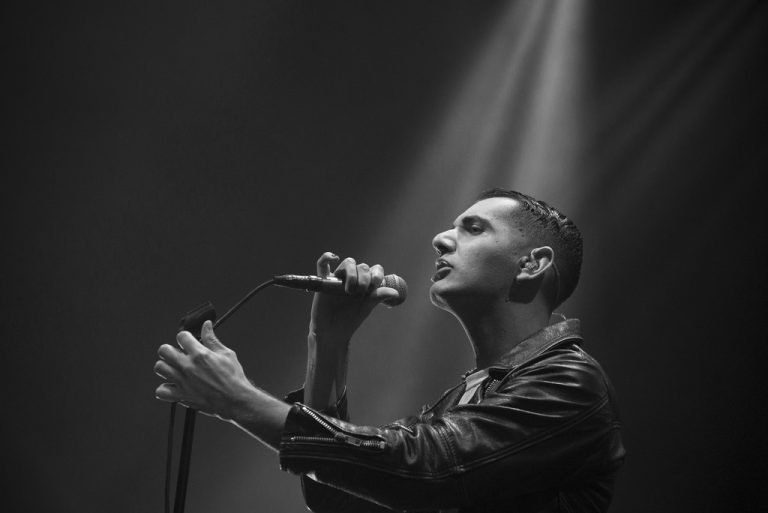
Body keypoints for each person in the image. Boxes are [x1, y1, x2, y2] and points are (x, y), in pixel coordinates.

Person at [154, 189, 625, 512]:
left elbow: (422, 467)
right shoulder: (466, 398)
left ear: (533, 263)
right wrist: (328, 342)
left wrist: (239, 399)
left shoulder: (570, 382)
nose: (441, 239)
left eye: (474, 228)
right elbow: (341, 498)